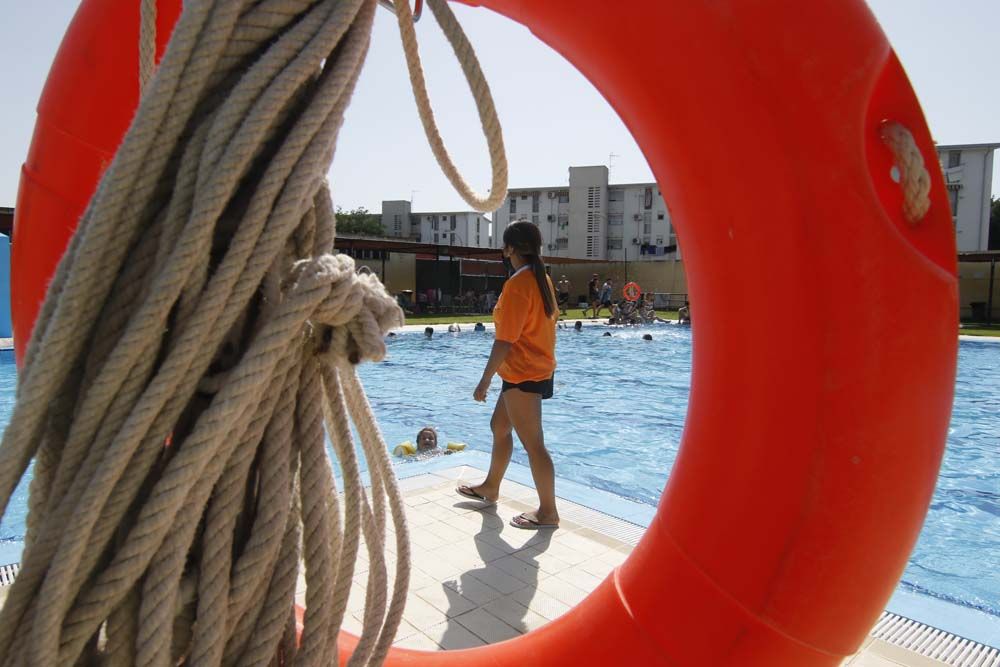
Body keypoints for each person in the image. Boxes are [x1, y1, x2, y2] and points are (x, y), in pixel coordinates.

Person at [458, 221, 559, 530]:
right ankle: (491, 486)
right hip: (530, 368)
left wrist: (484, 379)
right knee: (499, 426)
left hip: (523, 373)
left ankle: (548, 512)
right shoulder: (542, 279)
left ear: (510, 249)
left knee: (533, 444)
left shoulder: (518, 285)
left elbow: (505, 340)